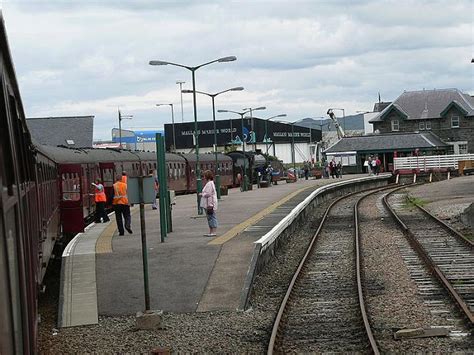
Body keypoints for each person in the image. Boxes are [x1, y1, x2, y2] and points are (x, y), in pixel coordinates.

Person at [199, 170, 218, 237]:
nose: (203, 178)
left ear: (207, 176)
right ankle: (211, 231)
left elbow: (209, 194)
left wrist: (202, 194)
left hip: (210, 204)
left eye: (204, 176)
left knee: (212, 217)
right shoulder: (209, 183)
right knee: (209, 218)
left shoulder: (209, 184)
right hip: (208, 204)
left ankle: (213, 231)